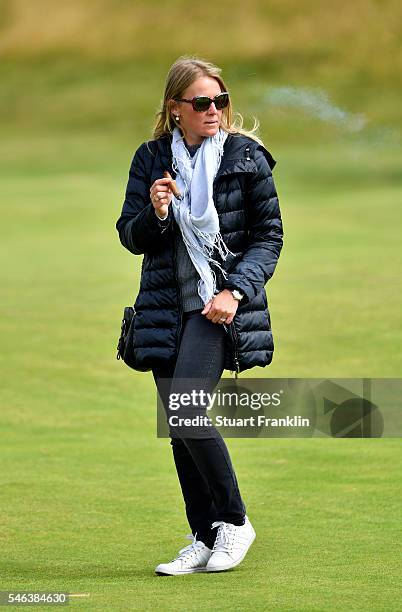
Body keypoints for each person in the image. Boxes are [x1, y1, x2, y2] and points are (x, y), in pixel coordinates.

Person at [115, 56, 284, 575]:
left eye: (221, 100)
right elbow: (131, 235)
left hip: (217, 308)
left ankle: (235, 522)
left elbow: (268, 237)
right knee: (178, 422)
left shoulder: (246, 158)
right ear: (175, 109)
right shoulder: (150, 159)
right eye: (202, 102)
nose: (214, 111)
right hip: (166, 309)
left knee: (186, 410)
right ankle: (205, 536)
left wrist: (235, 291)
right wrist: (157, 212)